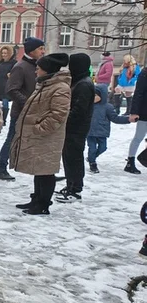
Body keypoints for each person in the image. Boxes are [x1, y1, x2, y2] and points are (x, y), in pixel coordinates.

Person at [10, 53, 71, 215]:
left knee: (45, 171)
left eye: (38, 69)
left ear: (47, 70)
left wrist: (39, 128)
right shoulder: (45, 85)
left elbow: (58, 114)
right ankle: (36, 199)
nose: (36, 71)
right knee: (39, 169)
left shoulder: (60, 88)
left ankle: (43, 204)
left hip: (47, 137)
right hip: (40, 137)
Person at [0, 36, 46, 181]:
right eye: (40, 49)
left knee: (40, 140)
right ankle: (0, 168)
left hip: (37, 111)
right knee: (12, 139)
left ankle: (44, 172)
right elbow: (11, 90)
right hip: (22, 111)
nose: (43, 51)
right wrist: (29, 103)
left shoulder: (39, 65)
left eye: (43, 48)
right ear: (31, 51)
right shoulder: (21, 66)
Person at [57, 53, 95, 202]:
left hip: (77, 128)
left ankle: (76, 189)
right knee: (68, 156)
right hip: (72, 127)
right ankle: (70, 184)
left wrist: (64, 120)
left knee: (74, 157)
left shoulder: (84, 84)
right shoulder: (78, 81)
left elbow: (79, 109)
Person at [86, 83, 130, 173]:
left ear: (102, 95)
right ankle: (92, 163)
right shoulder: (88, 106)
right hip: (90, 132)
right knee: (92, 148)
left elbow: (115, 118)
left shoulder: (107, 107)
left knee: (103, 148)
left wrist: (128, 120)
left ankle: (92, 157)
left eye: (95, 95)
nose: (93, 97)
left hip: (102, 132)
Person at [125, 66, 147, 173]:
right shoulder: (144, 74)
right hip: (144, 112)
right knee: (139, 137)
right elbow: (138, 93)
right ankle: (130, 161)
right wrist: (134, 112)